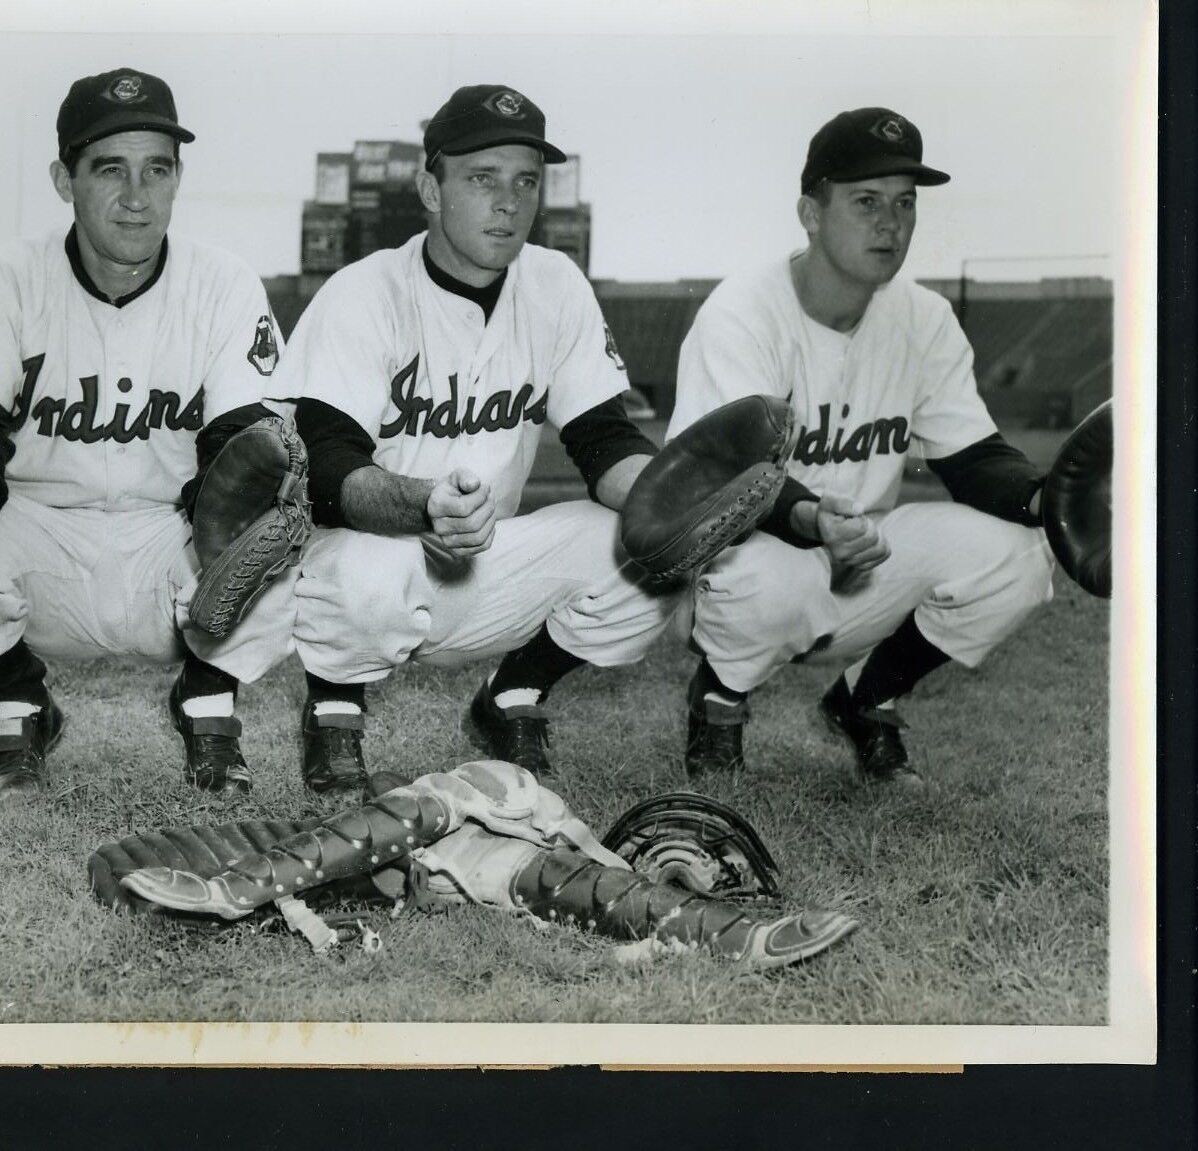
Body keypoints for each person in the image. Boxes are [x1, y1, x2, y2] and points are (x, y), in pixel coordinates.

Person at [0, 68, 292, 801]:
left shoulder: (224, 284)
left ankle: (206, 697)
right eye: (110, 169)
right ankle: (21, 699)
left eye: (156, 169)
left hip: (171, 543)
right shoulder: (5, 278)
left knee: (298, 545)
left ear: (176, 178)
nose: (137, 196)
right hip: (39, 543)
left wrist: (250, 500)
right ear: (64, 180)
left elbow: (240, 445)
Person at [266, 84, 680, 797]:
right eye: (482, 178)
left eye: (525, 181)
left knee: (644, 546)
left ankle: (511, 695)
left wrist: (675, 499)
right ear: (431, 186)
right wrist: (423, 503)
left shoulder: (556, 284)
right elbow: (326, 467)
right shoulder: (364, 292)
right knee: (359, 571)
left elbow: (604, 440)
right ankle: (335, 712)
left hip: (491, 555)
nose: (508, 202)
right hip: (372, 550)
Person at [669, 107, 1054, 788]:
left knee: (1019, 555)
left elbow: (971, 457)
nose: (891, 223)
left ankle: (864, 698)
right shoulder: (742, 313)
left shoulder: (923, 316)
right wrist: (813, 518)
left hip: (862, 556)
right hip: (743, 562)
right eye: (866, 201)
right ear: (810, 213)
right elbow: (720, 476)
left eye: (905, 203)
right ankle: (720, 699)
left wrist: (1037, 494)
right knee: (768, 580)